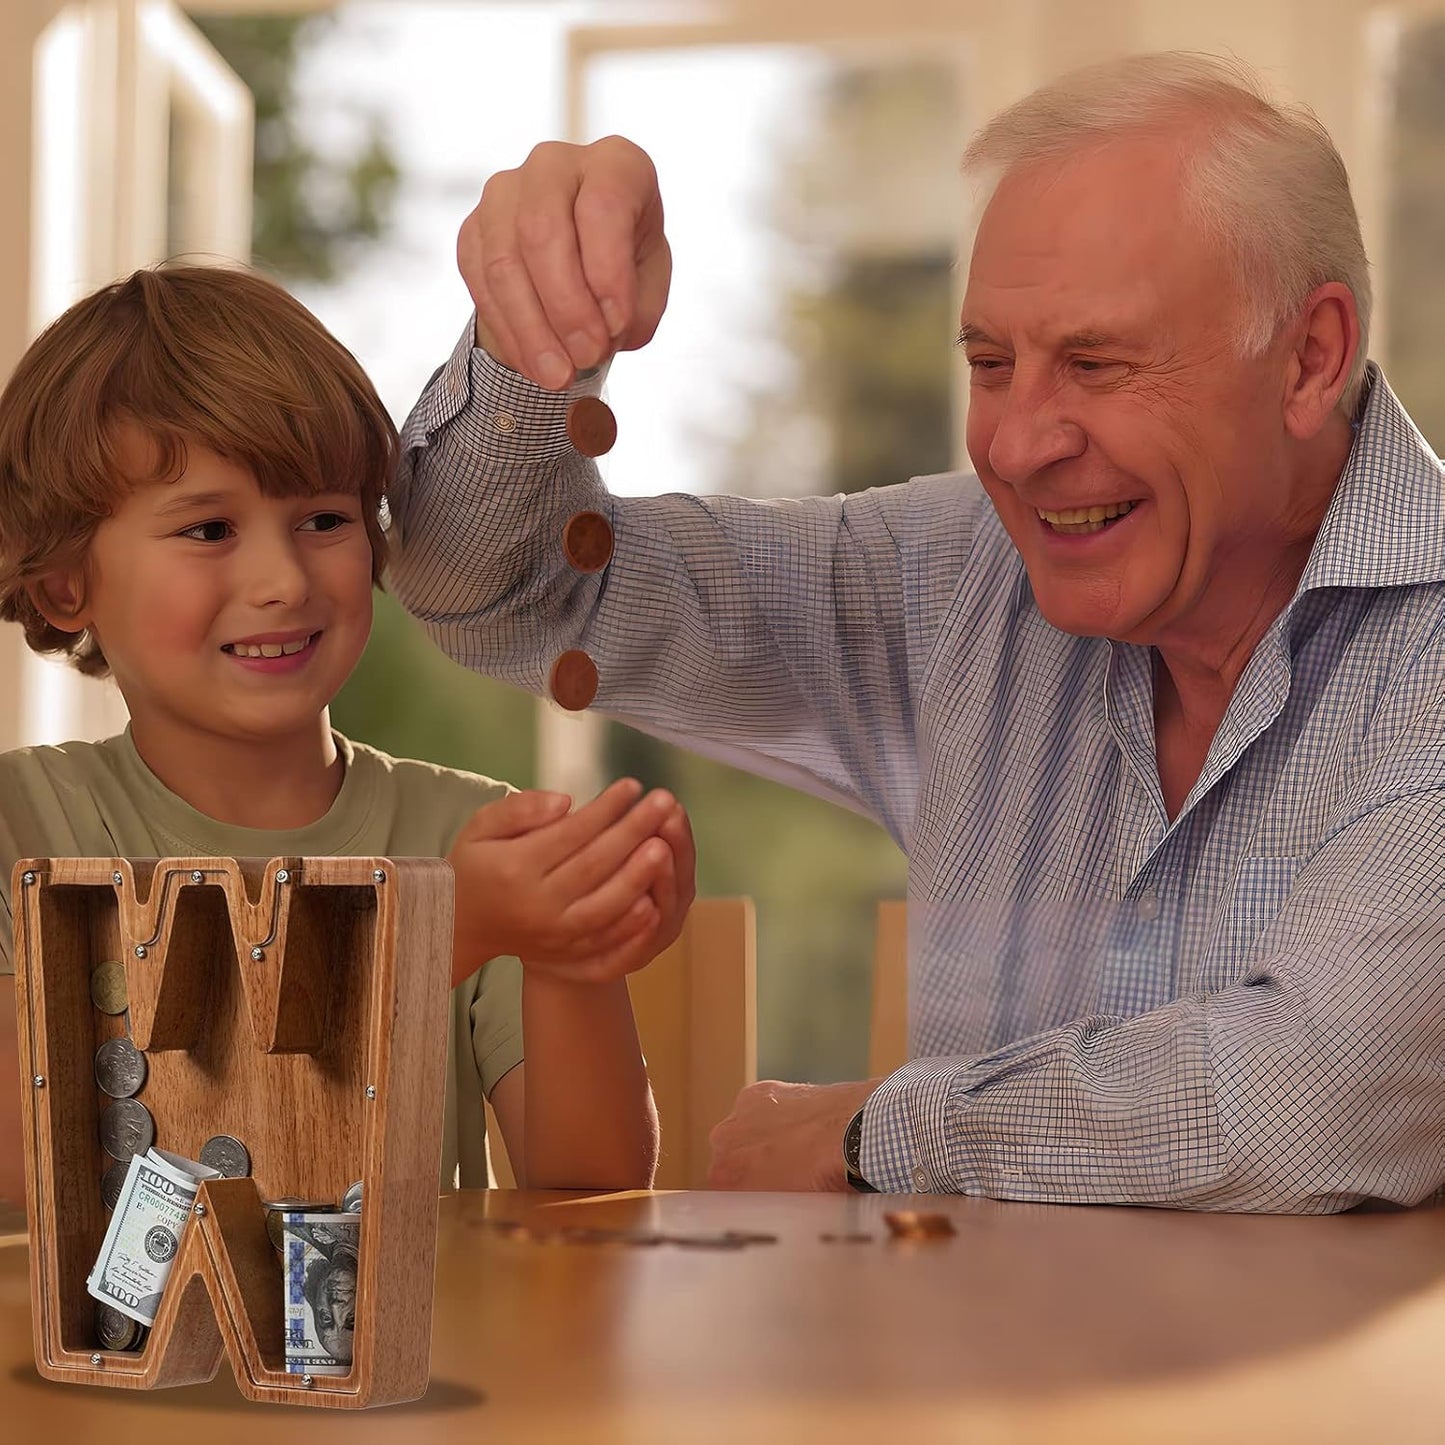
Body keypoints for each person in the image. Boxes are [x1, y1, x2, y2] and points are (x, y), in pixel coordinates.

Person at [382, 49, 1445, 1214]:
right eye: (990, 364)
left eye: (1095, 364)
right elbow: (508, 590)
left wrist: (876, 1129)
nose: (1019, 444)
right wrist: (539, 333)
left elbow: (1315, 1094)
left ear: (1309, 357)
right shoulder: (957, 579)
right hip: (963, 1391)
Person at [0, 263, 697, 1209]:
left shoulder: (480, 840)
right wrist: (431, 941)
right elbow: (35, 1173)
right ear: (63, 584)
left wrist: (570, 955)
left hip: (429, 1363)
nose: (284, 577)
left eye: (324, 518)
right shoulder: (18, 831)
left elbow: (592, 1195)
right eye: (208, 529)